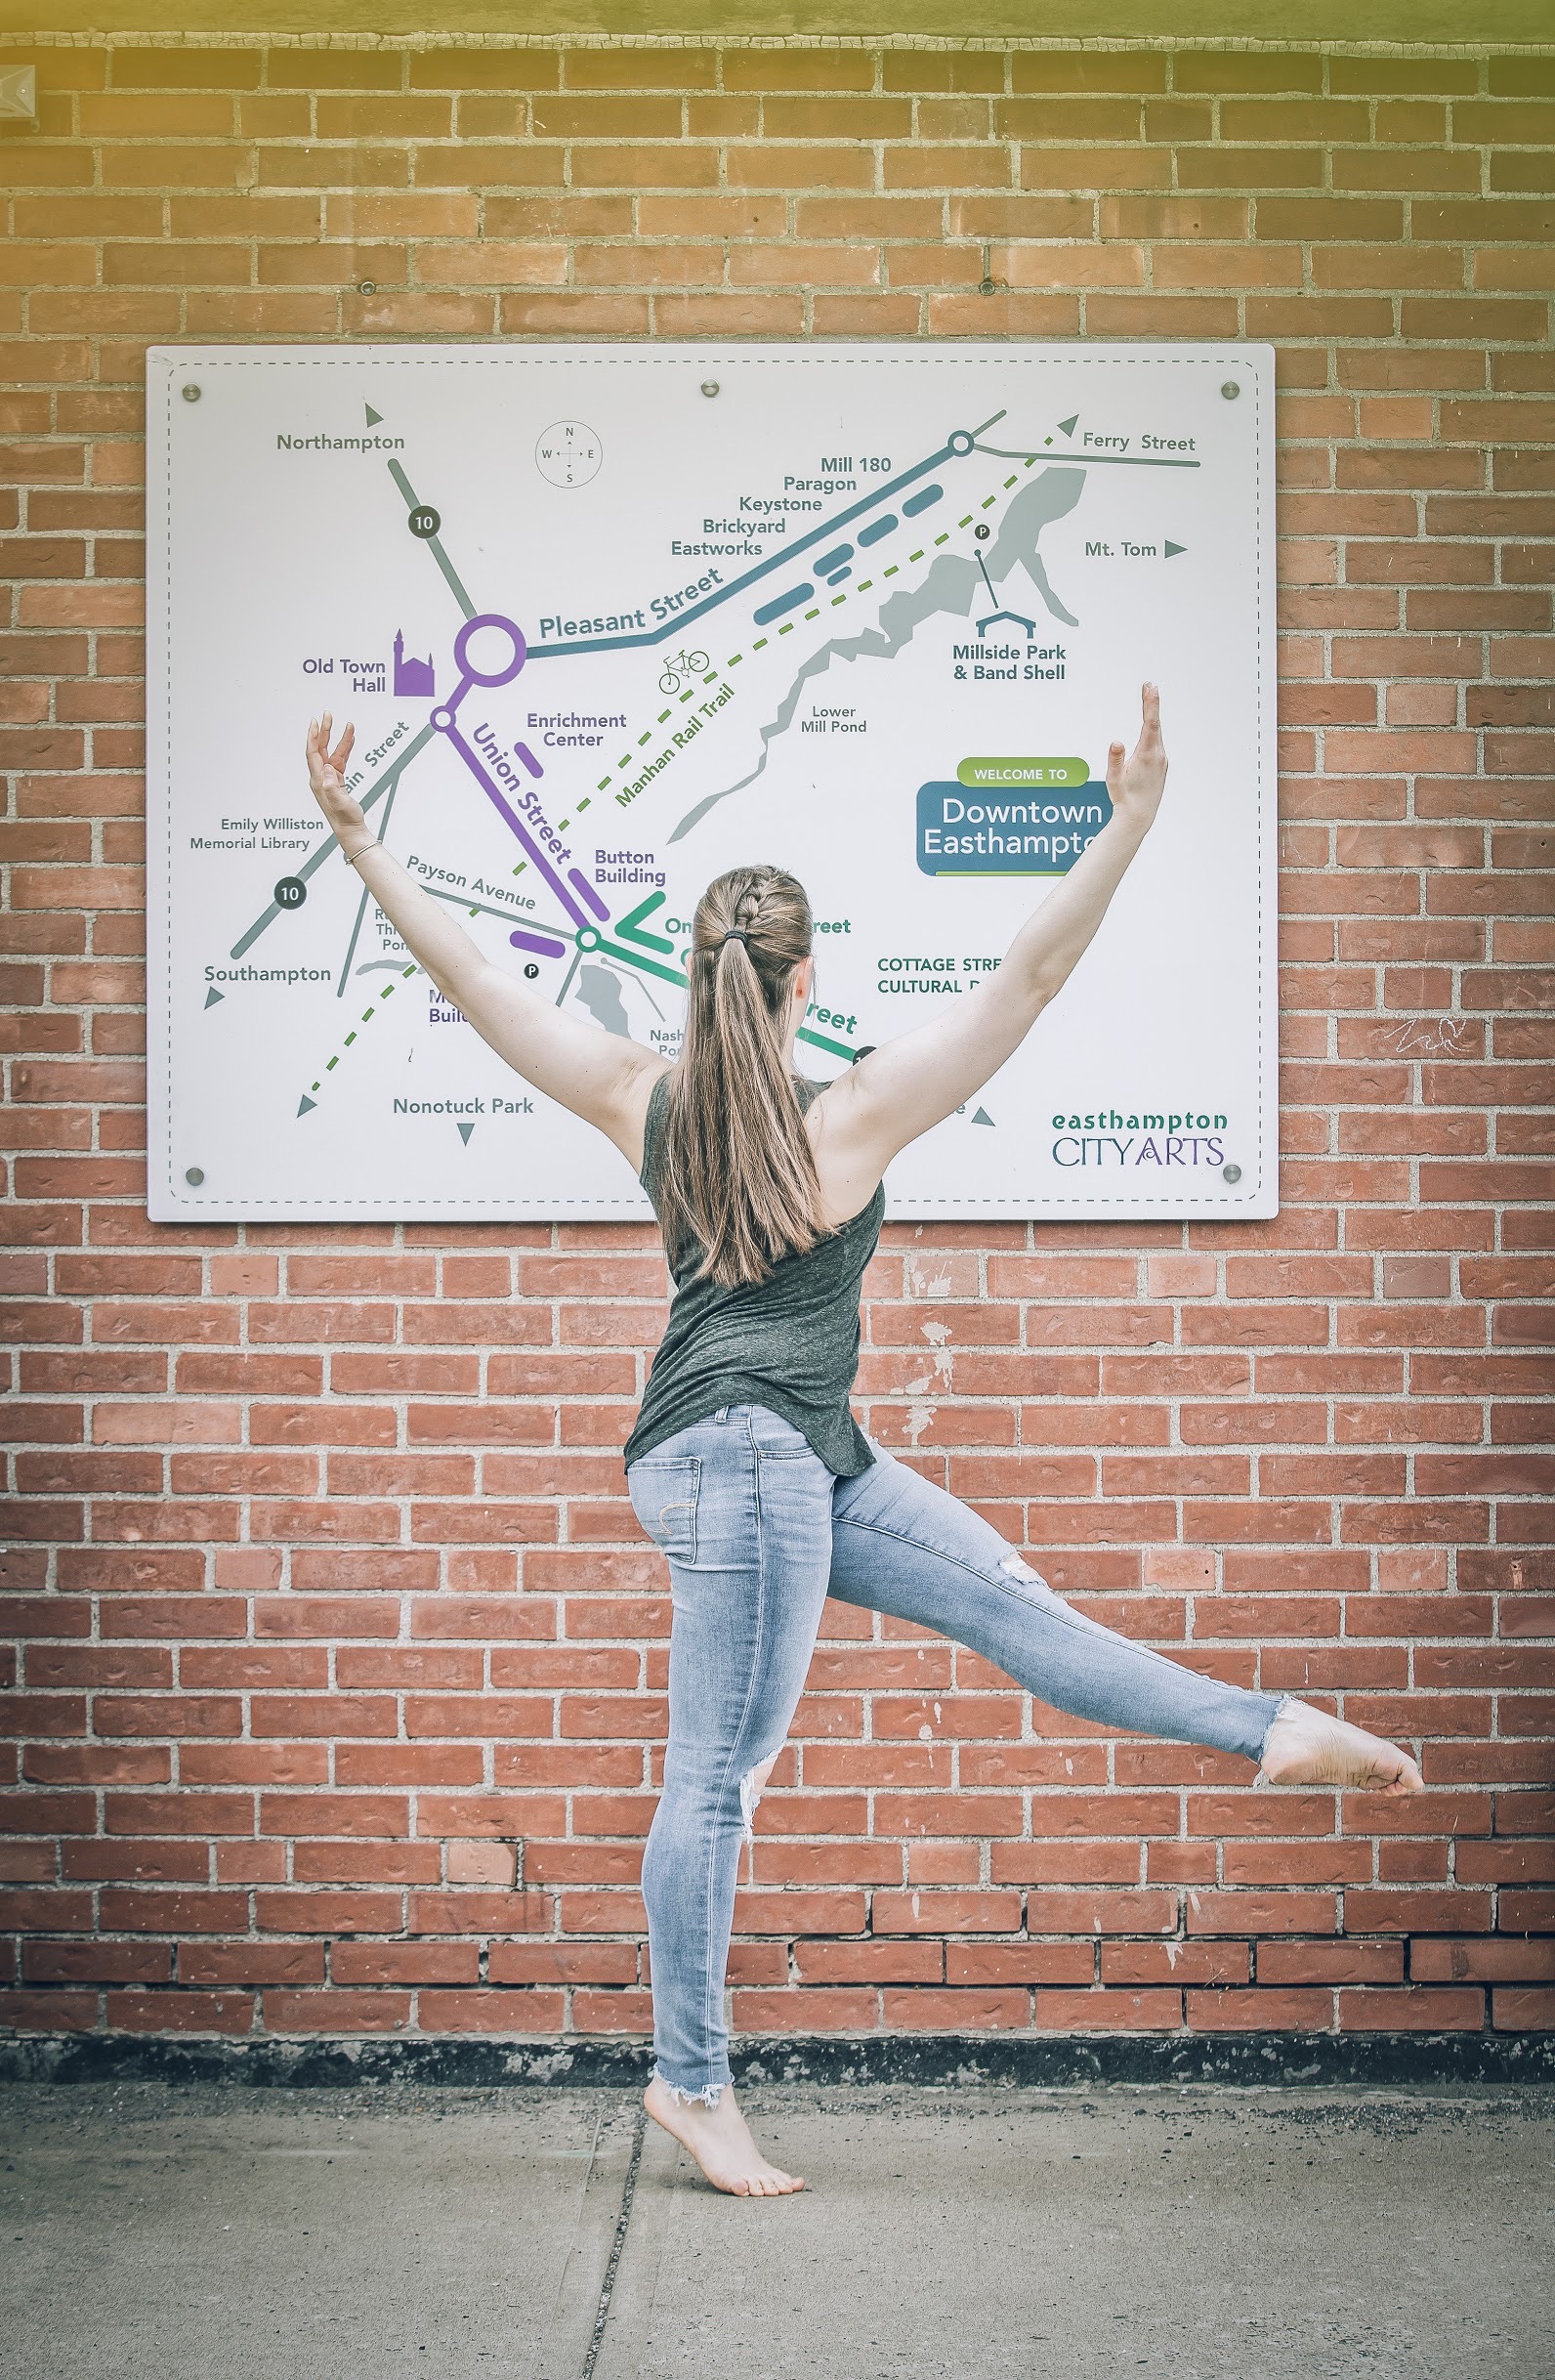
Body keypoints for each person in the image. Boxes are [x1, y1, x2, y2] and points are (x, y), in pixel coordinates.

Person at [305, 687, 1423, 2199]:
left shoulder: (642, 1097)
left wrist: (365, 842)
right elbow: (1028, 978)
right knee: (715, 1776)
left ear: (698, 974)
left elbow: (470, 978)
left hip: (798, 1455)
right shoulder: (858, 1113)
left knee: (1016, 1611)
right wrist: (1132, 820)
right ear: (802, 973)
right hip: (743, 1467)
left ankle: (1271, 1732)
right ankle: (690, 2084)